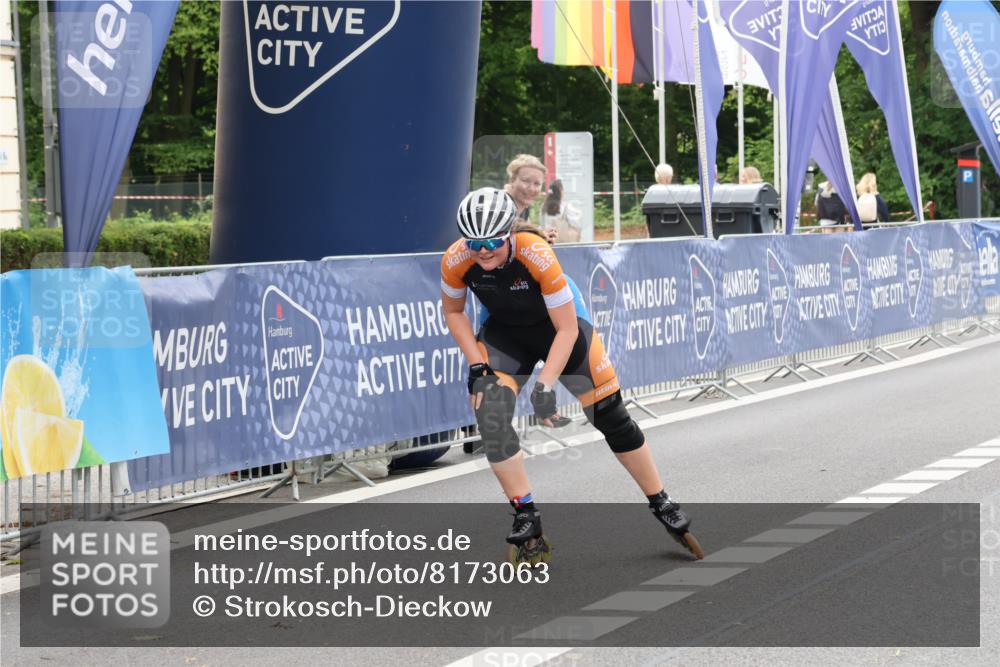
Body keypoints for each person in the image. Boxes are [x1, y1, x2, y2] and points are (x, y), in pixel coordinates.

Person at [440, 187, 704, 564]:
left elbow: (565, 330)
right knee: (492, 413)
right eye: (474, 241)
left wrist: (545, 386)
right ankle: (525, 514)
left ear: (510, 233)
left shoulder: (536, 254)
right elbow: (453, 313)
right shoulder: (456, 259)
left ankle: (661, 502)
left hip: (561, 331)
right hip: (507, 336)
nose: (483, 250)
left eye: (493, 241)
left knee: (610, 416)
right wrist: (477, 365)